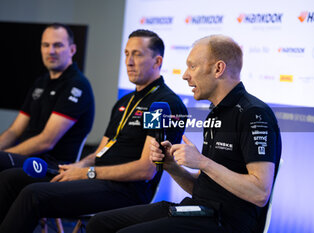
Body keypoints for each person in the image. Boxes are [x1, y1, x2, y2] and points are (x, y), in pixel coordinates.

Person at [86, 35, 282, 233]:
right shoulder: (217, 112)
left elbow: (259, 192)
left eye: (192, 67)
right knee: (100, 224)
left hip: (226, 223)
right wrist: (172, 166)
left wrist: (203, 162)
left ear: (218, 69)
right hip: (198, 210)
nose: (185, 75)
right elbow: (204, 189)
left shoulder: (254, 113)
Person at [0, 29, 187, 233]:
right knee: (10, 179)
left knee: (33, 194)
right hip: (96, 177)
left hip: (125, 190)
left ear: (157, 61)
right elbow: (101, 151)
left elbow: (145, 169)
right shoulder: (125, 102)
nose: (129, 61)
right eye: (126, 53)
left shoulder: (162, 104)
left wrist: (87, 173)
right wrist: (77, 167)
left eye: (138, 54)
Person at [0, 23, 95, 172]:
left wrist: (6, 156)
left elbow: (46, 141)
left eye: (57, 45)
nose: (50, 51)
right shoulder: (41, 82)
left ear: (72, 50)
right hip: (27, 159)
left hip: (52, 166)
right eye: (46, 45)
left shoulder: (77, 85)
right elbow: (14, 131)